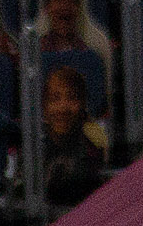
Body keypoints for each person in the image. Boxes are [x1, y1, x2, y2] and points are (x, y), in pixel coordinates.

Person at [42, 65, 107, 214]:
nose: (63, 108)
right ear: (44, 106)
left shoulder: (93, 137)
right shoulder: (35, 144)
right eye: (55, 99)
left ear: (83, 103)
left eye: (72, 98)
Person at [36, 0, 112, 91]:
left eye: (71, 0)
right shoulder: (33, 52)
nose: (64, 6)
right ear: (46, 7)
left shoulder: (97, 50)